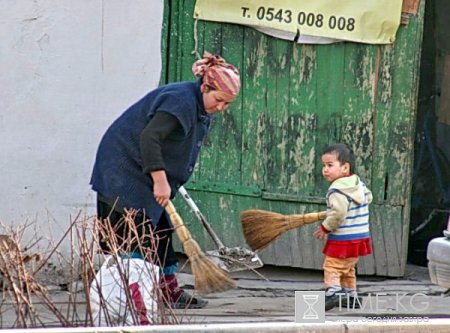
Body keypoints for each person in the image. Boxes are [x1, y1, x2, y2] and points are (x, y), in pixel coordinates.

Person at [90, 51, 240, 309]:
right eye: (219, 100)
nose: (221, 108)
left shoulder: (201, 106)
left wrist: (168, 177)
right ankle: (129, 294)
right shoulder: (180, 101)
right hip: (124, 168)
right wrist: (160, 180)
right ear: (205, 87)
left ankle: (165, 289)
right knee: (133, 232)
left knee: (160, 231)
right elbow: (150, 138)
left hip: (146, 168)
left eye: (227, 104)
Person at [313, 143, 373, 311]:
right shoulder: (357, 184)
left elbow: (338, 213)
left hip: (344, 238)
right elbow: (369, 197)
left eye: (330, 165)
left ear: (345, 167)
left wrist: (325, 227)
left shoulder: (337, 190)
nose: (325, 169)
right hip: (359, 236)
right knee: (347, 268)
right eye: (324, 165)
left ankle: (333, 293)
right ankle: (350, 296)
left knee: (332, 266)